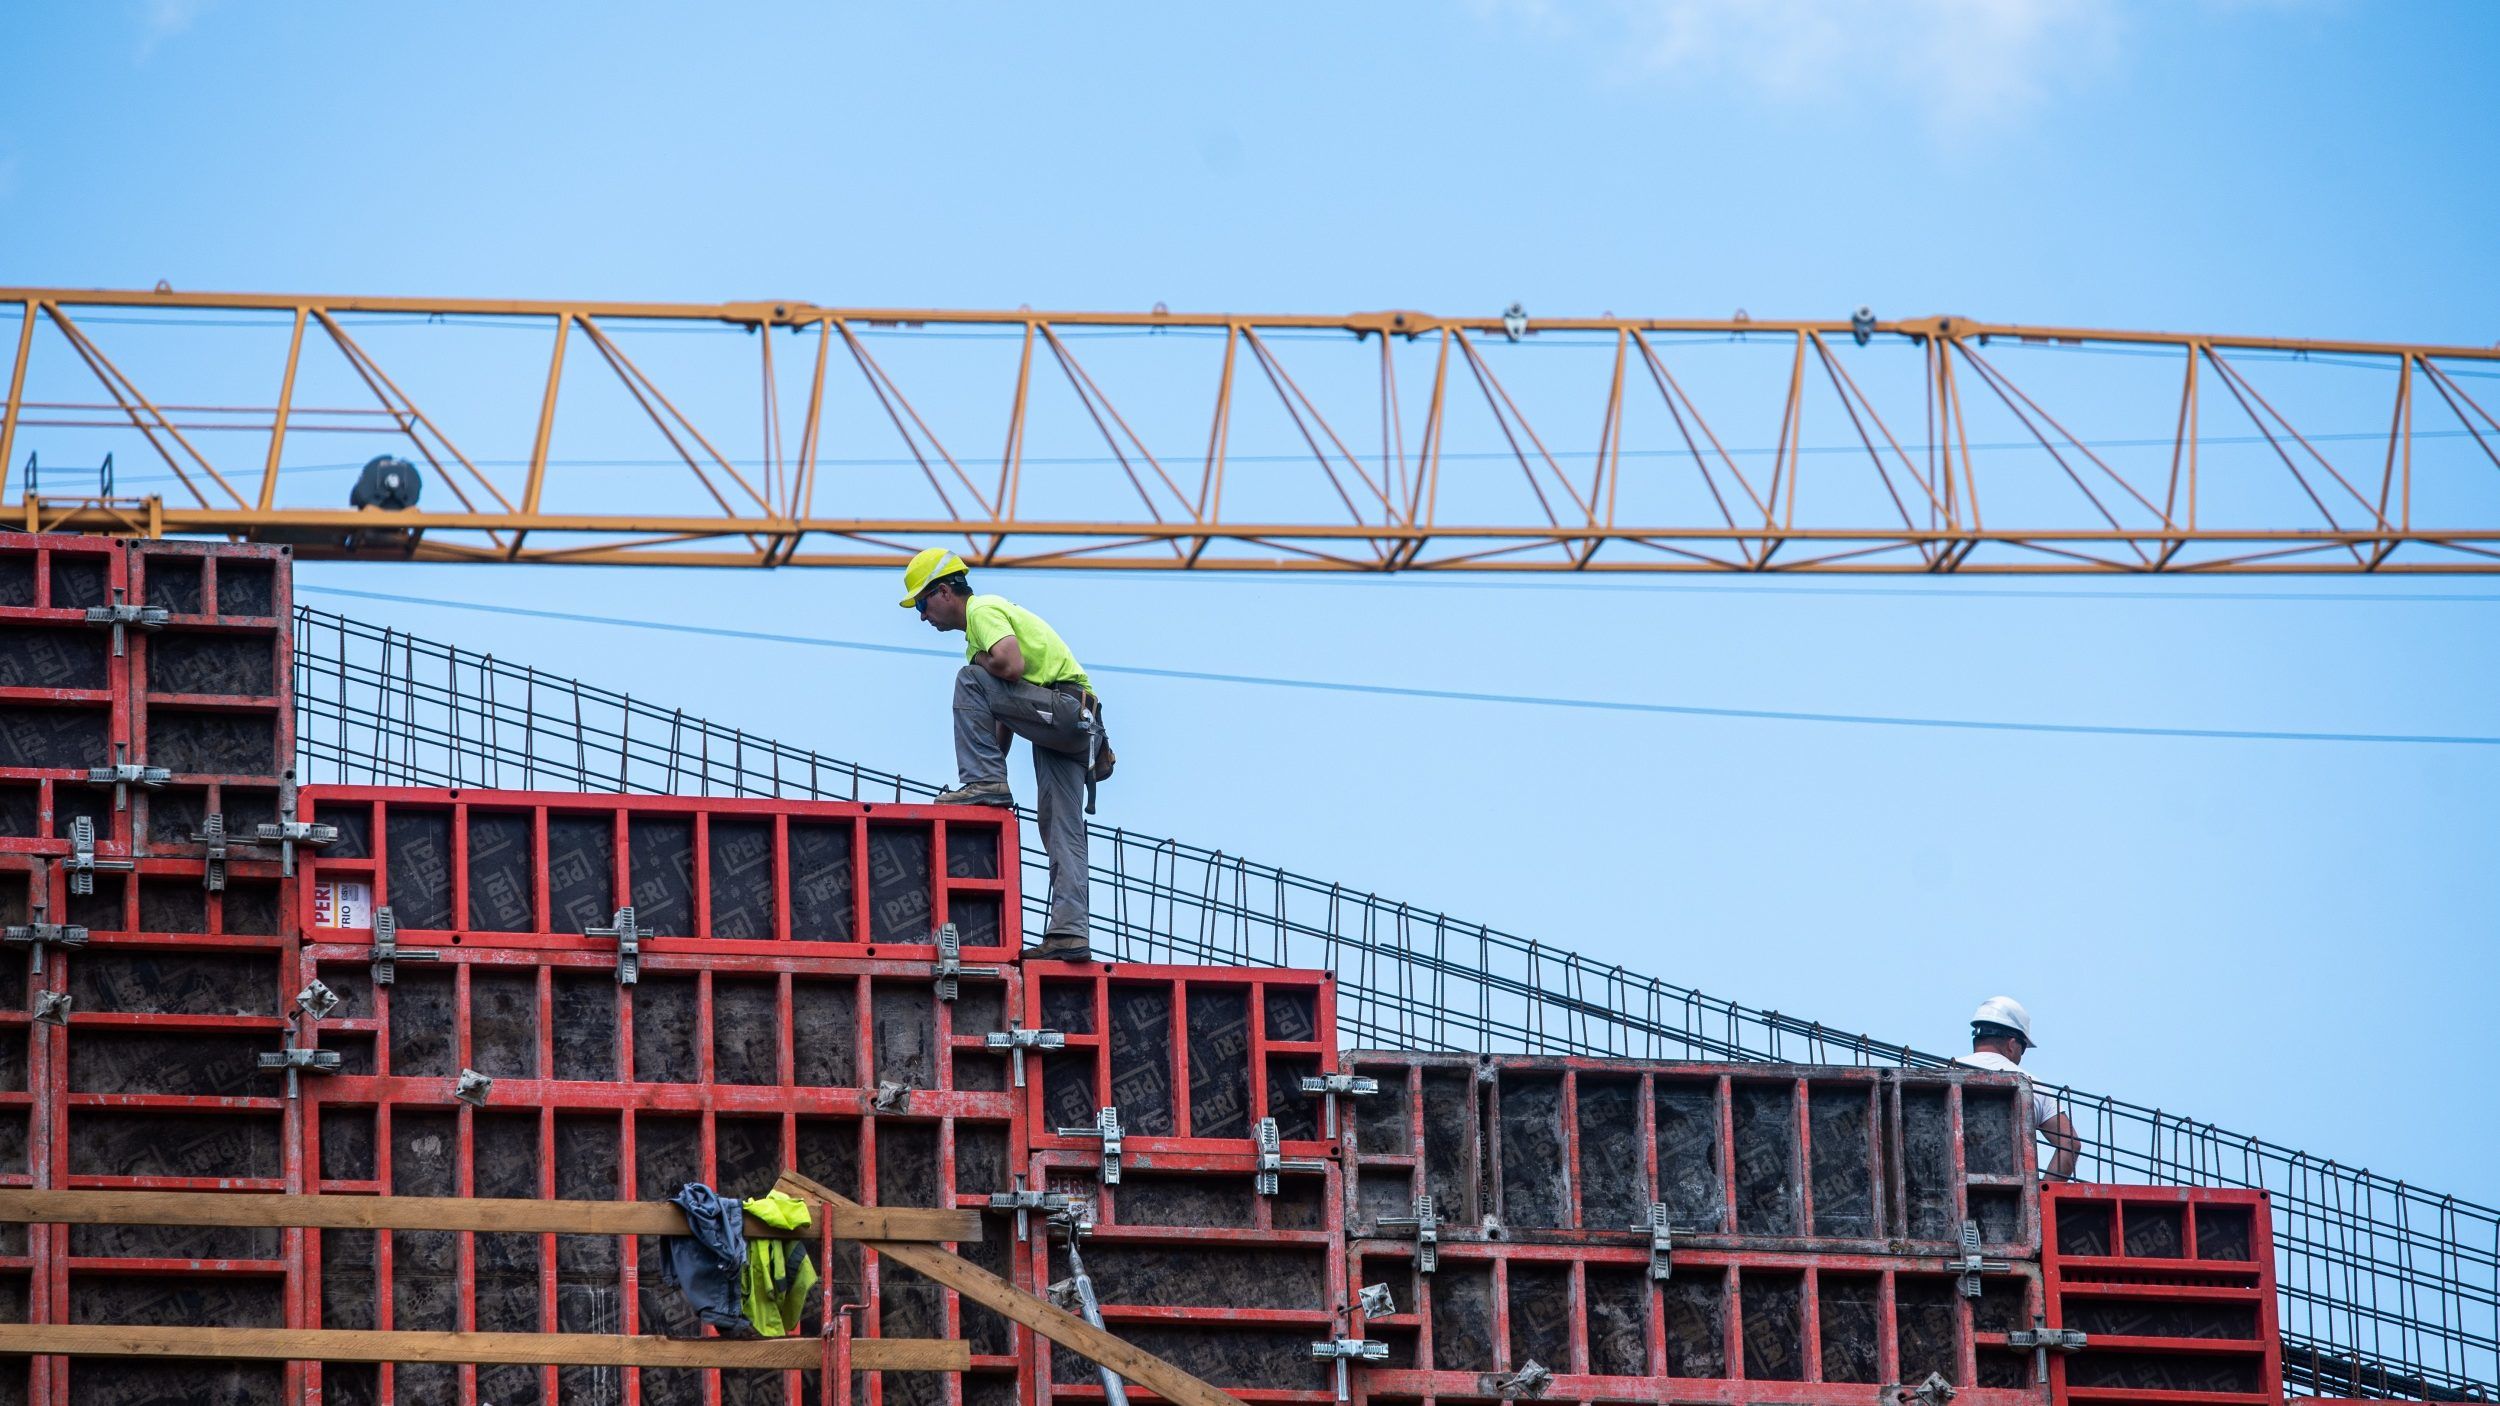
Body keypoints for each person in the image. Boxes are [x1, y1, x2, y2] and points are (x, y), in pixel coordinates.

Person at [898, 548, 1112, 962]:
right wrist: (990, 773)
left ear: (944, 592)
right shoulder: (980, 631)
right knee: (1060, 828)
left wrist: (984, 784)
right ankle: (1070, 933)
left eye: (922, 604)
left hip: (1063, 711)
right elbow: (1004, 721)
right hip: (1074, 726)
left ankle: (982, 782)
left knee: (968, 679)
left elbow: (1009, 666)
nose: (923, 616)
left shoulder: (982, 611)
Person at [1953, 996, 2080, 1180]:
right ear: (2012, 1045)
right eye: (2024, 1048)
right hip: (2012, 1187)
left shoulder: (1943, 1071)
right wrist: (2042, 1194)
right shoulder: (2033, 1085)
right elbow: (2070, 1144)